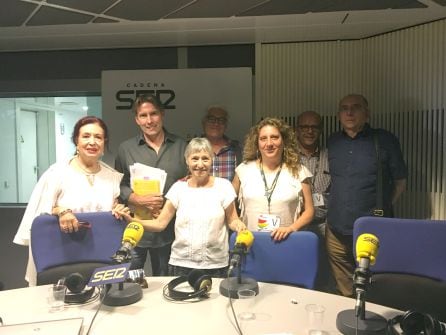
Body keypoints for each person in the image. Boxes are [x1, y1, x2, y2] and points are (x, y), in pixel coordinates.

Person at [13, 116, 127, 286]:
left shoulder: (111, 176)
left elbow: (110, 208)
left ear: (104, 142)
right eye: (86, 136)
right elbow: (40, 212)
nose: (92, 142)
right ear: (76, 140)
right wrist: (61, 211)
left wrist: (117, 210)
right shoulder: (57, 173)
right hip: (61, 253)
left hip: (98, 254)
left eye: (98, 137)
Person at [117, 138, 246, 278]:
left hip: (216, 265)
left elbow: (232, 220)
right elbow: (160, 223)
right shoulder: (178, 188)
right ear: (187, 160)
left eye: (205, 158)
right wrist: (131, 221)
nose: (200, 164)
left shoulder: (224, 186)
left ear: (212, 160)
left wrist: (239, 225)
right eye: (195, 158)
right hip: (181, 265)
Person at [327, 93, 407, 297]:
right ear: (338, 115)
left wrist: (383, 208)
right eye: (344, 108)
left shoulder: (385, 140)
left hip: (373, 230)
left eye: (356, 107)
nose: (349, 112)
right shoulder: (333, 141)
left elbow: (400, 181)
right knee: (344, 289)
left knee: (375, 286)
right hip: (336, 230)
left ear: (367, 114)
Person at [115, 94, 188, 276]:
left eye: (153, 114)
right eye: (143, 115)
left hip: (170, 231)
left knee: (164, 282)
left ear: (162, 114)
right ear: (137, 119)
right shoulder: (126, 149)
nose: (149, 120)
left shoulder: (181, 146)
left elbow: (190, 184)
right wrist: (136, 198)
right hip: (137, 229)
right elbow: (119, 185)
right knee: (131, 280)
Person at [232, 117, 314, 241]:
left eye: (275, 137)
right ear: (257, 143)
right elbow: (228, 204)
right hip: (250, 241)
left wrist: (292, 228)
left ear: (284, 141)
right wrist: (236, 221)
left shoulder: (299, 171)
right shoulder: (243, 170)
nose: (269, 143)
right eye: (263, 138)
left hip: (287, 239)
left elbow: (309, 211)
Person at [295, 110, 333, 292]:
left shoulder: (330, 156)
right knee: (297, 272)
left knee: (324, 274)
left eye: (314, 127)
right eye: (304, 127)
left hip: (324, 224)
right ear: (296, 130)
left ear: (321, 130)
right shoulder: (287, 157)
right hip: (296, 226)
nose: (309, 131)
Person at [202, 106, 242, 181]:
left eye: (221, 120)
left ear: (226, 125)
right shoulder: (193, 148)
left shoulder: (237, 149)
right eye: (212, 119)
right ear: (204, 122)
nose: (216, 124)